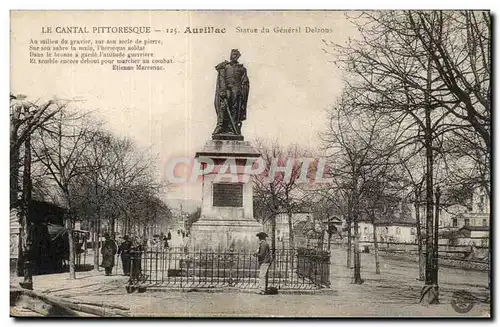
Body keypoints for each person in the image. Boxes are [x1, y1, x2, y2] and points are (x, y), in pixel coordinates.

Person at [213, 49, 250, 136]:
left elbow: (245, 81)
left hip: (237, 90)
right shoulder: (225, 66)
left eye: (235, 55)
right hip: (226, 89)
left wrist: (243, 91)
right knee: (223, 107)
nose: (233, 56)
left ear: (238, 56)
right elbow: (221, 78)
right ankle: (220, 126)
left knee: (235, 108)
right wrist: (222, 90)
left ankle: (232, 127)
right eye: (232, 54)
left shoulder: (242, 68)